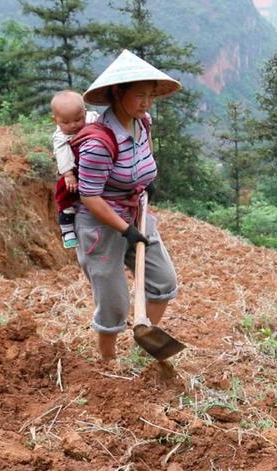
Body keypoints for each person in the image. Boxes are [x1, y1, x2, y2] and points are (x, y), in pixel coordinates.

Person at [73, 50, 181, 361]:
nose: (146, 103)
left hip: (136, 213)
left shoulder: (142, 123)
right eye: (139, 96)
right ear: (117, 93)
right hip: (102, 225)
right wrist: (126, 230)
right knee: (114, 301)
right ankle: (108, 361)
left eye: (150, 96)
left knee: (163, 281)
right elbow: (89, 196)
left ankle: (145, 335)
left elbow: (140, 161)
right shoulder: (98, 142)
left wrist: (147, 183)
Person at [50, 90, 99, 249]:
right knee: (64, 193)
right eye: (66, 122)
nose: (73, 125)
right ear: (55, 120)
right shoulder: (60, 137)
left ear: (85, 112)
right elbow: (62, 155)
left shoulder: (93, 120)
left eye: (78, 119)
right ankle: (67, 227)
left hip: (94, 166)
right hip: (74, 170)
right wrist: (68, 174)